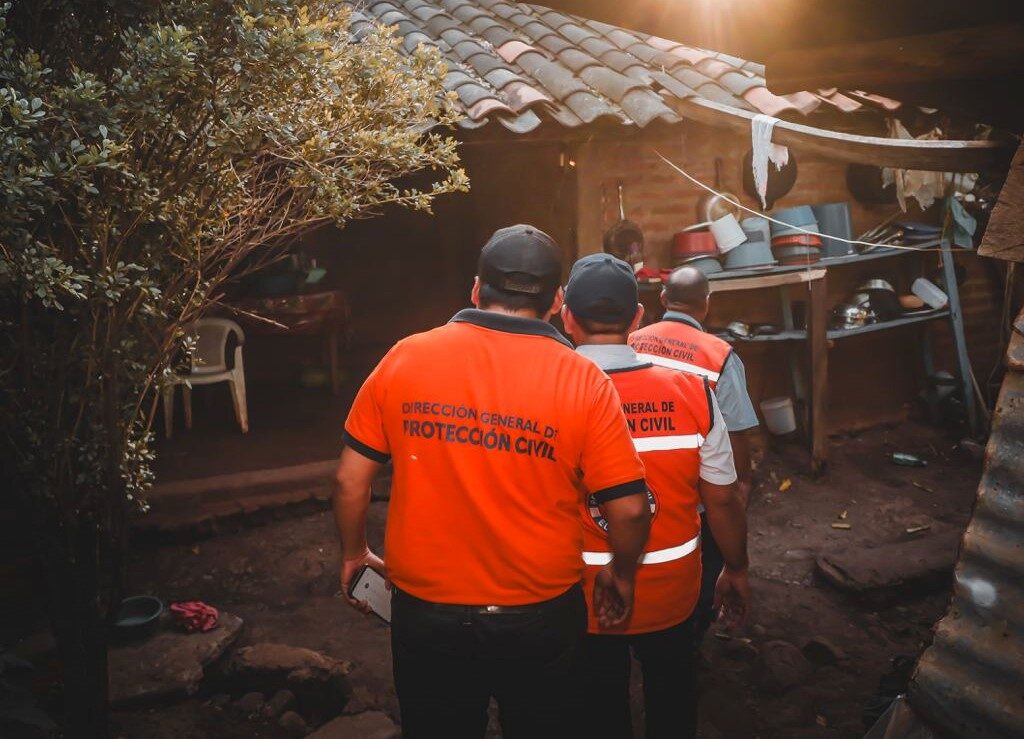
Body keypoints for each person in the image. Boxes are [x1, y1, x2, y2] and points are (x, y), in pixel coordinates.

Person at [333, 225, 652, 739]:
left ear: (477, 289)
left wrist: (355, 552)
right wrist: (622, 571)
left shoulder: (407, 356)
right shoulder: (584, 380)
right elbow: (631, 510)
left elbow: (350, 480)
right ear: (557, 302)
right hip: (540, 616)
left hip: (425, 613)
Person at [562, 254, 751, 739]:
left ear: (566, 316)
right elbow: (723, 500)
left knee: (599, 704)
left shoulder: (547, 394)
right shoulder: (692, 392)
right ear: (639, 317)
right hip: (673, 592)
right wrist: (736, 567)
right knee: (673, 695)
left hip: (582, 594)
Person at [628, 265, 758, 641]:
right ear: (706, 304)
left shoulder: (630, 342)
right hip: (694, 492)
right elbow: (736, 434)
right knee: (700, 569)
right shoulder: (720, 356)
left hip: (633, 483)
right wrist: (742, 484)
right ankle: (692, 626)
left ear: (663, 299)